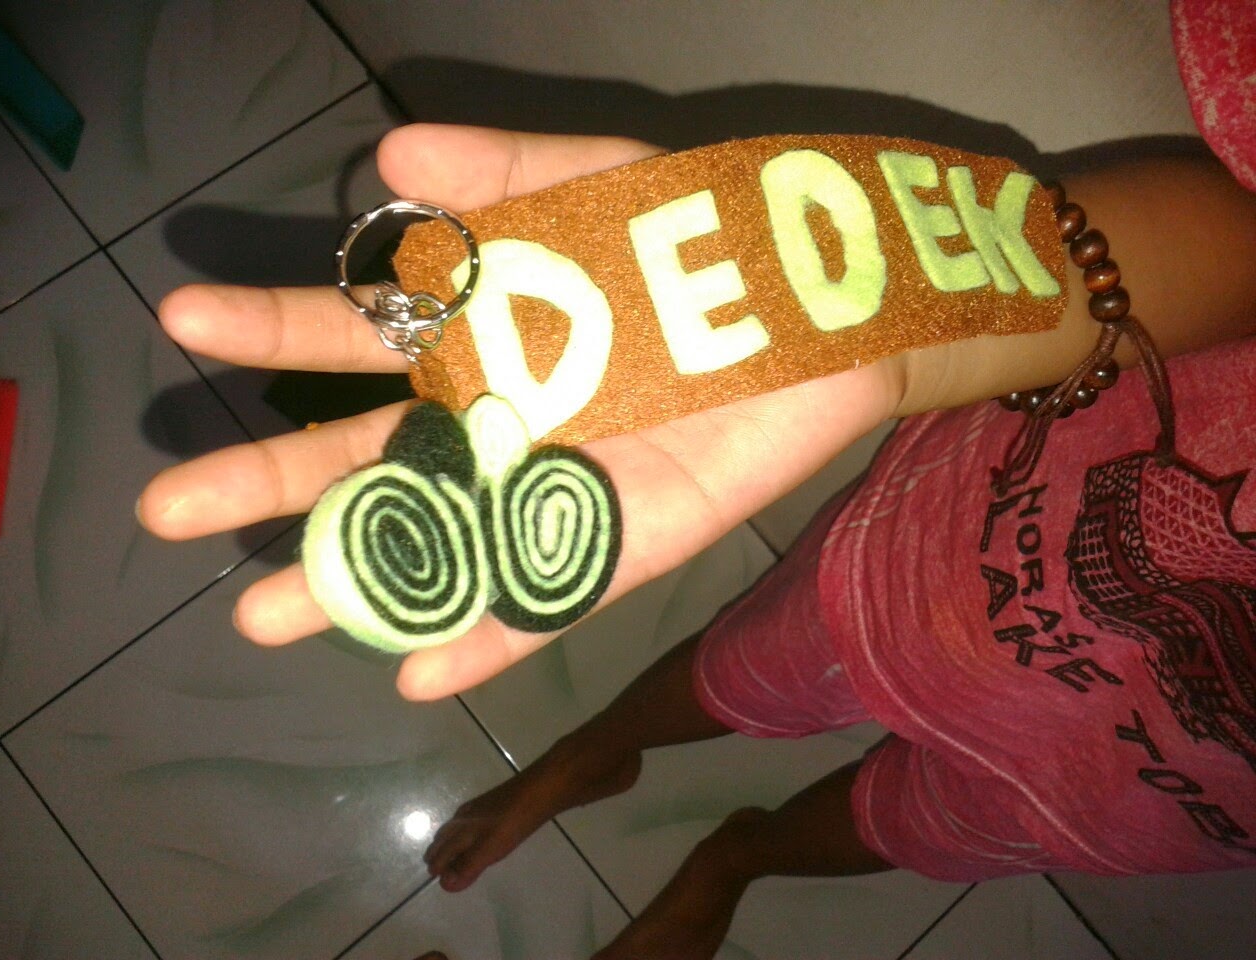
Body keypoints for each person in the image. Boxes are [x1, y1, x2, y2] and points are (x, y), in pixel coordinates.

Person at [139, 9, 1256, 959]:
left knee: (936, 824)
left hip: (1169, 787)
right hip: (965, 552)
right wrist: (878, 314)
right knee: (759, 663)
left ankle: (737, 858)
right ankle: (590, 756)